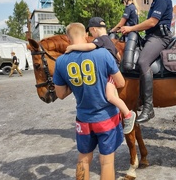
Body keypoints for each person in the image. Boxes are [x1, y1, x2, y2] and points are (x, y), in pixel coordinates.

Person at [53, 22, 125, 180]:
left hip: (83, 119)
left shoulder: (60, 62)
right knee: (106, 162)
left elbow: (60, 94)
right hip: (106, 118)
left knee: (83, 159)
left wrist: (76, 81)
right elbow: (121, 83)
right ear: (86, 35)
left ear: (67, 38)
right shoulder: (103, 54)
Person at [65, 17, 136, 135]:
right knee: (114, 97)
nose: (91, 36)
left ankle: (128, 114)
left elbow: (89, 47)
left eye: (91, 33)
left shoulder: (101, 40)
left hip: (110, 74)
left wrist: (72, 47)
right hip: (114, 71)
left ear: (94, 29)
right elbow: (118, 55)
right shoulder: (108, 40)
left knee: (110, 97)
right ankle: (119, 117)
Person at [119, 0, 173, 123]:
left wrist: (131, 28)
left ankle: (148, 108)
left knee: (143, 62)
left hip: (161, 38)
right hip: (152, 37)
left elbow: (151, 23)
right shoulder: (156, 0)